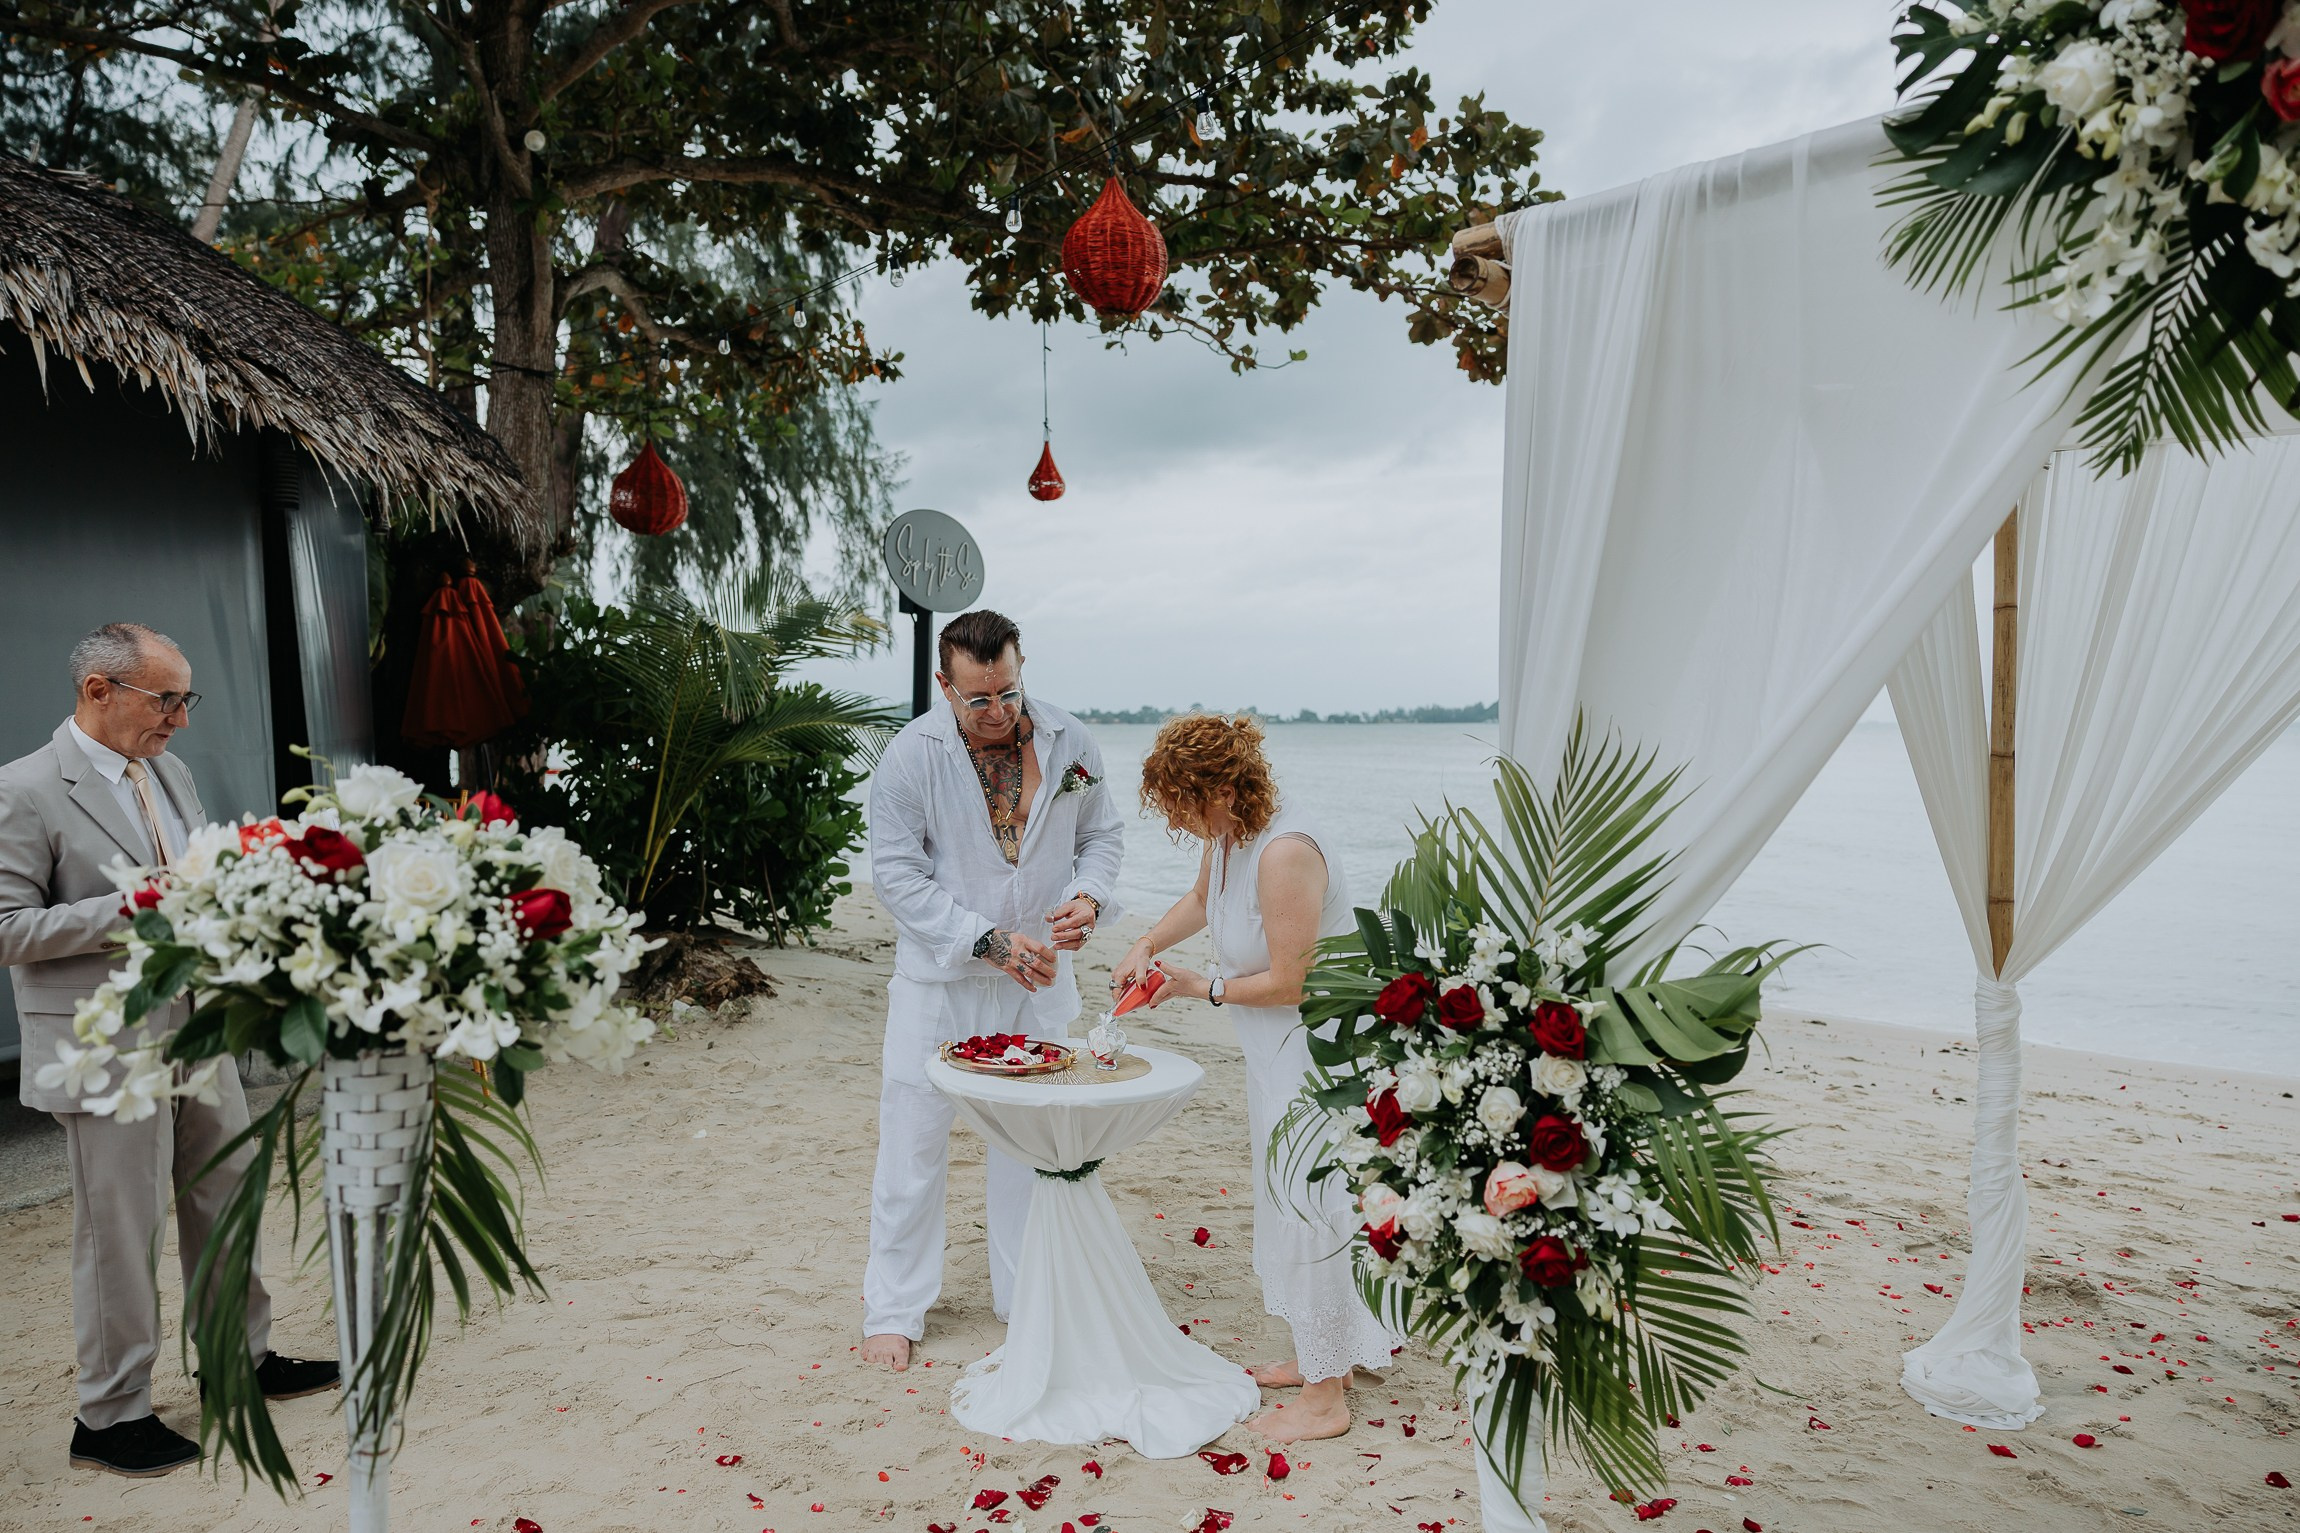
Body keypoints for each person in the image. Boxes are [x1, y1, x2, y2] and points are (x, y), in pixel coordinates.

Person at [0, 624, 338, 1477]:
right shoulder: (24, 790)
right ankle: (110, 1416)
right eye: (168, 700)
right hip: (102, 1046)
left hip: (200, 1027)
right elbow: (7, 930)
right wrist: (139, 907)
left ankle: (240, 1362)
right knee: (120, 1230)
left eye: (187, 698)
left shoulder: (168, 770)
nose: (182, 720)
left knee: (228, 1197)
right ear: (99, 691)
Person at [1113, 712, 1398, 1442]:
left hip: (1317, 1055)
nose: (1176, 818)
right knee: (1292, 1201)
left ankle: (1327, 1397)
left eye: (1183, 801)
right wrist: (1146, 938)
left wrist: (1197, 987)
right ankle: (1322, 1356)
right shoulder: (1230, 833)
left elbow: (1291, 981)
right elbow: (1201, 901)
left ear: (1225, 786)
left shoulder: (1285, 854)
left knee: (1311, 1206)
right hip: (1274, 1054)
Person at [860, 610, 1123, 1371]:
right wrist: (986, 941)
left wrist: (1091, 898)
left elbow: (1101, 837)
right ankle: (894, 1310)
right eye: (977, 699)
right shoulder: (911, 757)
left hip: (1039, 984)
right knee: (913, 1145)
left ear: (1019, 666)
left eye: (1007, 689)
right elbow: (895, 874)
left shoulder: (1073, 741)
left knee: (1030, 1148)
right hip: (941, 983)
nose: (997, 710)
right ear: (945, 686)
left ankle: (1024, 1296)